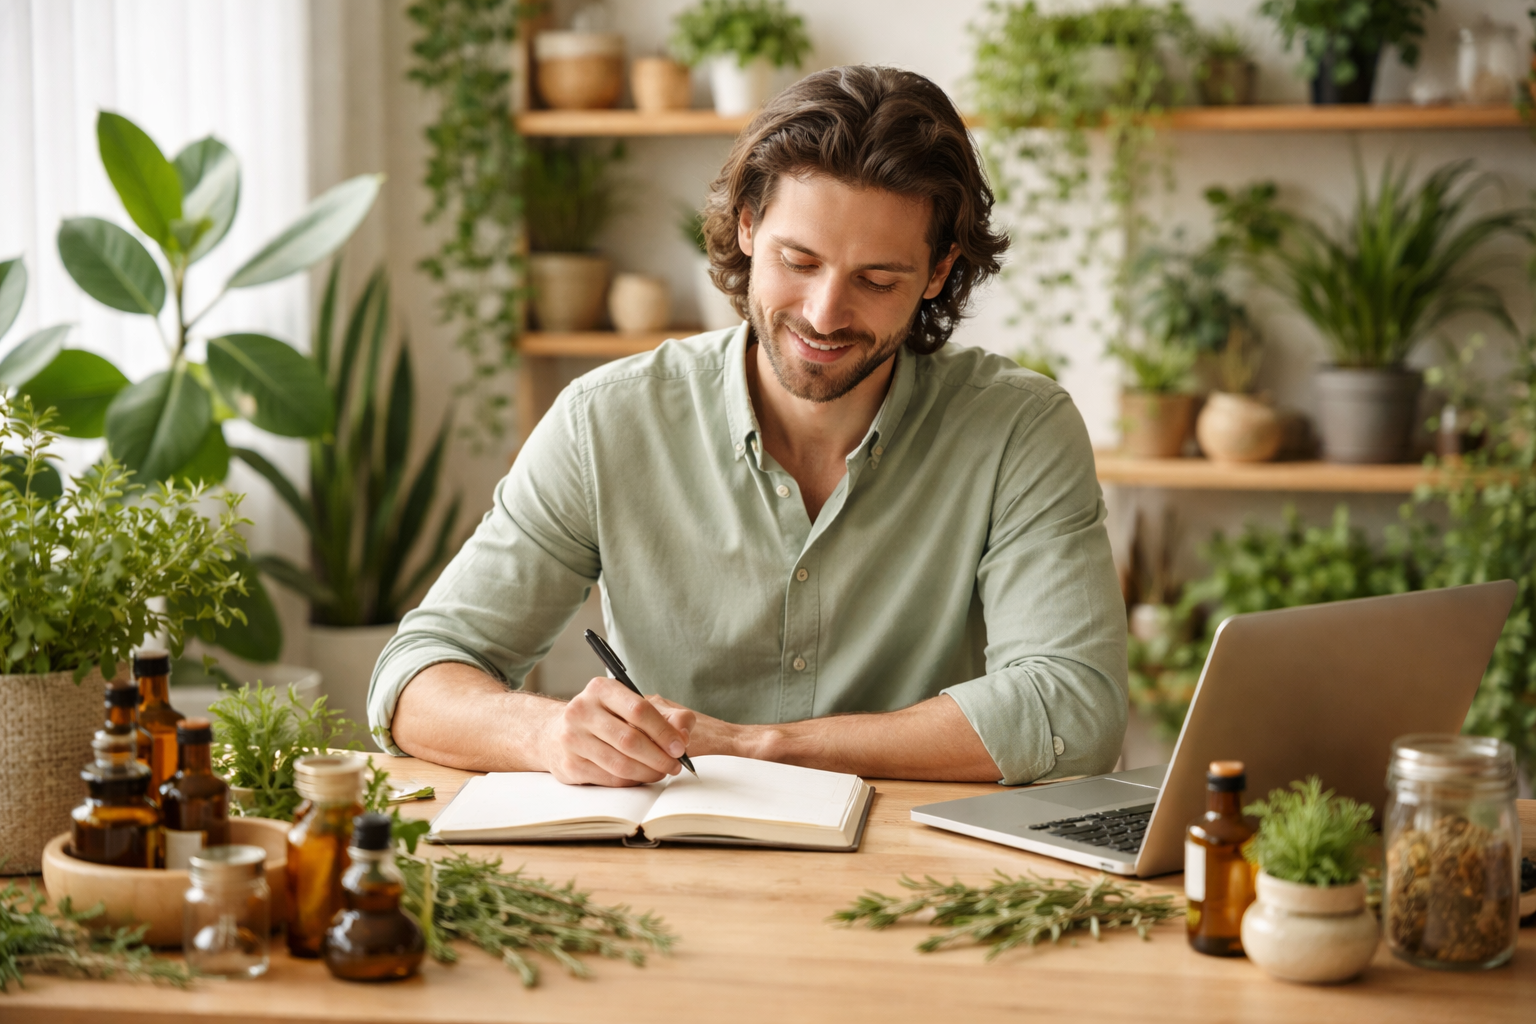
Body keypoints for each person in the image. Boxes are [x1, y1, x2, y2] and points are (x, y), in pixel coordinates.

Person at [369, 65, 1127, 787]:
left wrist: (764, 748)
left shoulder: (1019, 430)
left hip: (916, 876)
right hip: (663, 865)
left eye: (876, 279)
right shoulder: (606, 421)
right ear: (746, 227)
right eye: (798, 261)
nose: (825, 315)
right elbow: (417, 676)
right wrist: (545, 734)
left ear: (936, 274)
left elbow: (1074, 707)